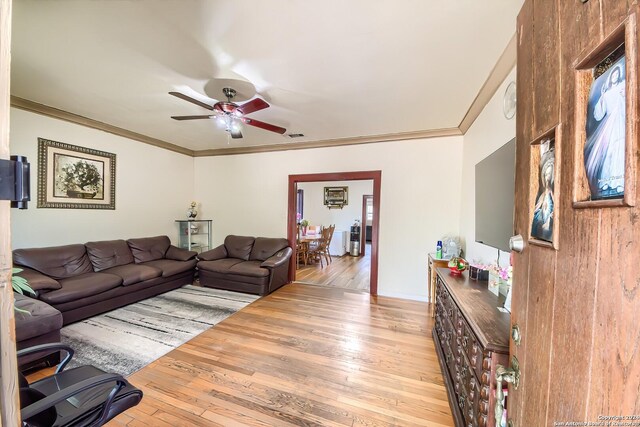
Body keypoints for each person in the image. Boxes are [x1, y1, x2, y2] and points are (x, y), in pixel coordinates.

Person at [584, 62, 626, 199]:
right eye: (613, 74)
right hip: (609, 127)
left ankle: (619, 182)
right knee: (608, 153)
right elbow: (598, 115)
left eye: (616, 74)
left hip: (619, 123)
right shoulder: (606, 94)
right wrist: (602, 98)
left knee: (619, 150)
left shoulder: (622, 87)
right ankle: (606, 182)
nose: (614, 76)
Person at [531, 149, 554, 242]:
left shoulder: (552, 194)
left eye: (549, 174)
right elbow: (537, 208)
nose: (547, 176)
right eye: (546, 174)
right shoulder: (543, 193)